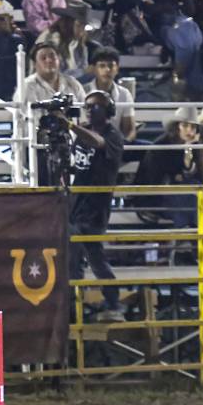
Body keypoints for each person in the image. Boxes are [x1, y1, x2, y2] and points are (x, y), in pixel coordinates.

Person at [67, 90, 126, 323]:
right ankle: (88, 305)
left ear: (108, 111)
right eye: (88, 106)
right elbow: (74, 163)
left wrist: (71, 126)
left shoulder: (113, 136)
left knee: (90, 256)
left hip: (95, 207)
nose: (90, 111)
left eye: (96, 107)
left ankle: (108, 303)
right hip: (76, 202)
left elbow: (99, 143)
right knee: (83, 256)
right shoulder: (83, 132)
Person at [117, 0, 203, 99]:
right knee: (188, 36)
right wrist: (166, 7)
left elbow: (190, 10)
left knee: (188, 29)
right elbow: (146, 13)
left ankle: (180, 75)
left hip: (180, 26)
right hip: (156, 30)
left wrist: (158, 6)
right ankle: (185, 80)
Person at [134, 107, 203, 227]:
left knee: (195, 192)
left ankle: (192, 231)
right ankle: (192, 231)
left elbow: (189, 173)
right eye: (185, 126)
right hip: (155, 195)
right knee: (188, 199)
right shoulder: (161, 147)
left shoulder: (192, 146)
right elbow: (155, 179)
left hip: (179, 192)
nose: (189, 130)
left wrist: (188, 152)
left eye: (193, 127)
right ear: (177, 127)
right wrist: (177, 177)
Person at [37, 1, 100, 83]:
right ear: (68, 23)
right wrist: (84, 72)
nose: (82, 31)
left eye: (84, 26)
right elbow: (54, 74)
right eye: (78, 25)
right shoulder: (51, 40)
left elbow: (82, 65)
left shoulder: (77, 41)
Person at [85, 47, 136, 141]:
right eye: (102, 66)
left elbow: (129, 130)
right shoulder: (83, 92)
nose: (107, 70)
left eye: (111, 66)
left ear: (117, 69)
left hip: (116, 144)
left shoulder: (124, 93)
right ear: (94, 69)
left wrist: (122, 145)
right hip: (89, 143)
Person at [21, 40, 86, 104]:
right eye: (43, 58)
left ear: (59, 59)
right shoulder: (27, 86)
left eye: (52, 56)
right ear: (35, 64)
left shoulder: (72, 83)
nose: (49, 60)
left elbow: (85, 106)